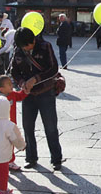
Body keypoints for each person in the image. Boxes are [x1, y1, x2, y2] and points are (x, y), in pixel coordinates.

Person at [10, 27, 63, 170]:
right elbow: (13, 70)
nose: (25, 49)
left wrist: (36, 79)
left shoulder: (45, 46)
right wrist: (21, 83)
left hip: (46, 91)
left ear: (33, 40)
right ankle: (31, 157)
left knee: (50, 127)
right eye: (23, 47)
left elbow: (53, 68)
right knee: (27, 127)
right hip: (27, 94)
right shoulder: (18, 49)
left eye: (27, 46)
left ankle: (56, 159)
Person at [0, 75, 28, 171]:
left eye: (11, 83)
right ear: (1, 89)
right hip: (1, 127)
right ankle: (1, 161)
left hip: (11, 125)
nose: (11, 85)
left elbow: (20, 96)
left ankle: (10, 161)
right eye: (8, 84)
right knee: (3, 145)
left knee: (10, 144)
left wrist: (25, 91)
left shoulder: (12, 94)